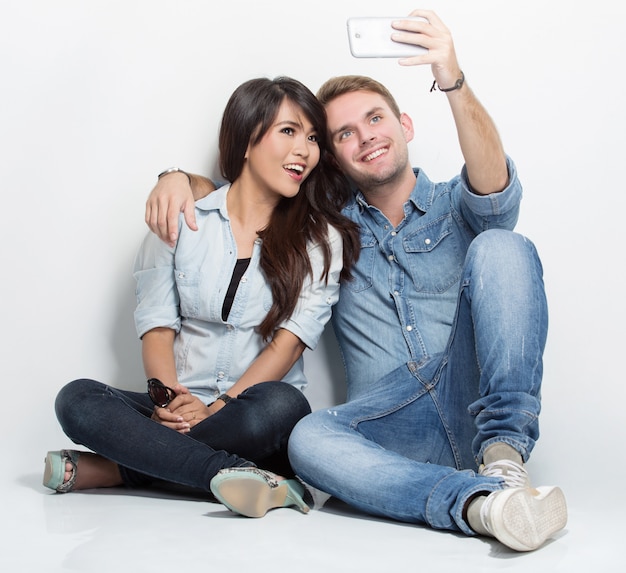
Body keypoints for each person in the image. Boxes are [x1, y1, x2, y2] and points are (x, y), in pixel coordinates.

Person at [143, 10, 567, 552]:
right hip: (388, 430)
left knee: (505, 244)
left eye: (374, 120)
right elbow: (251, 193)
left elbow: (496, 188)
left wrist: (452, 77)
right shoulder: (324, 229)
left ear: (404, 125)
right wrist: (179, 179)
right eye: (344, 134)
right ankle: (483, 506)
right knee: (306, 437)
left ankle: (504, 460)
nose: (365, 137)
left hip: (471, 408)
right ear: (333, 157)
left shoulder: (457, 207)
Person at [42, 76, 360, 509]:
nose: (304, 149)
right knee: (76, 398)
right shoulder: (182, 216)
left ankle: (122, 469)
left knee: (284, 404)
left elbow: (286, 348)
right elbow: (156, 325)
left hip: (250, 413)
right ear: (247, 140)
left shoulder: (321, 240)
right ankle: (234, 477)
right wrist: (168, 403)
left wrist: (218, 409)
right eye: (288, 131)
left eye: (313, 137)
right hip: (177, 404)